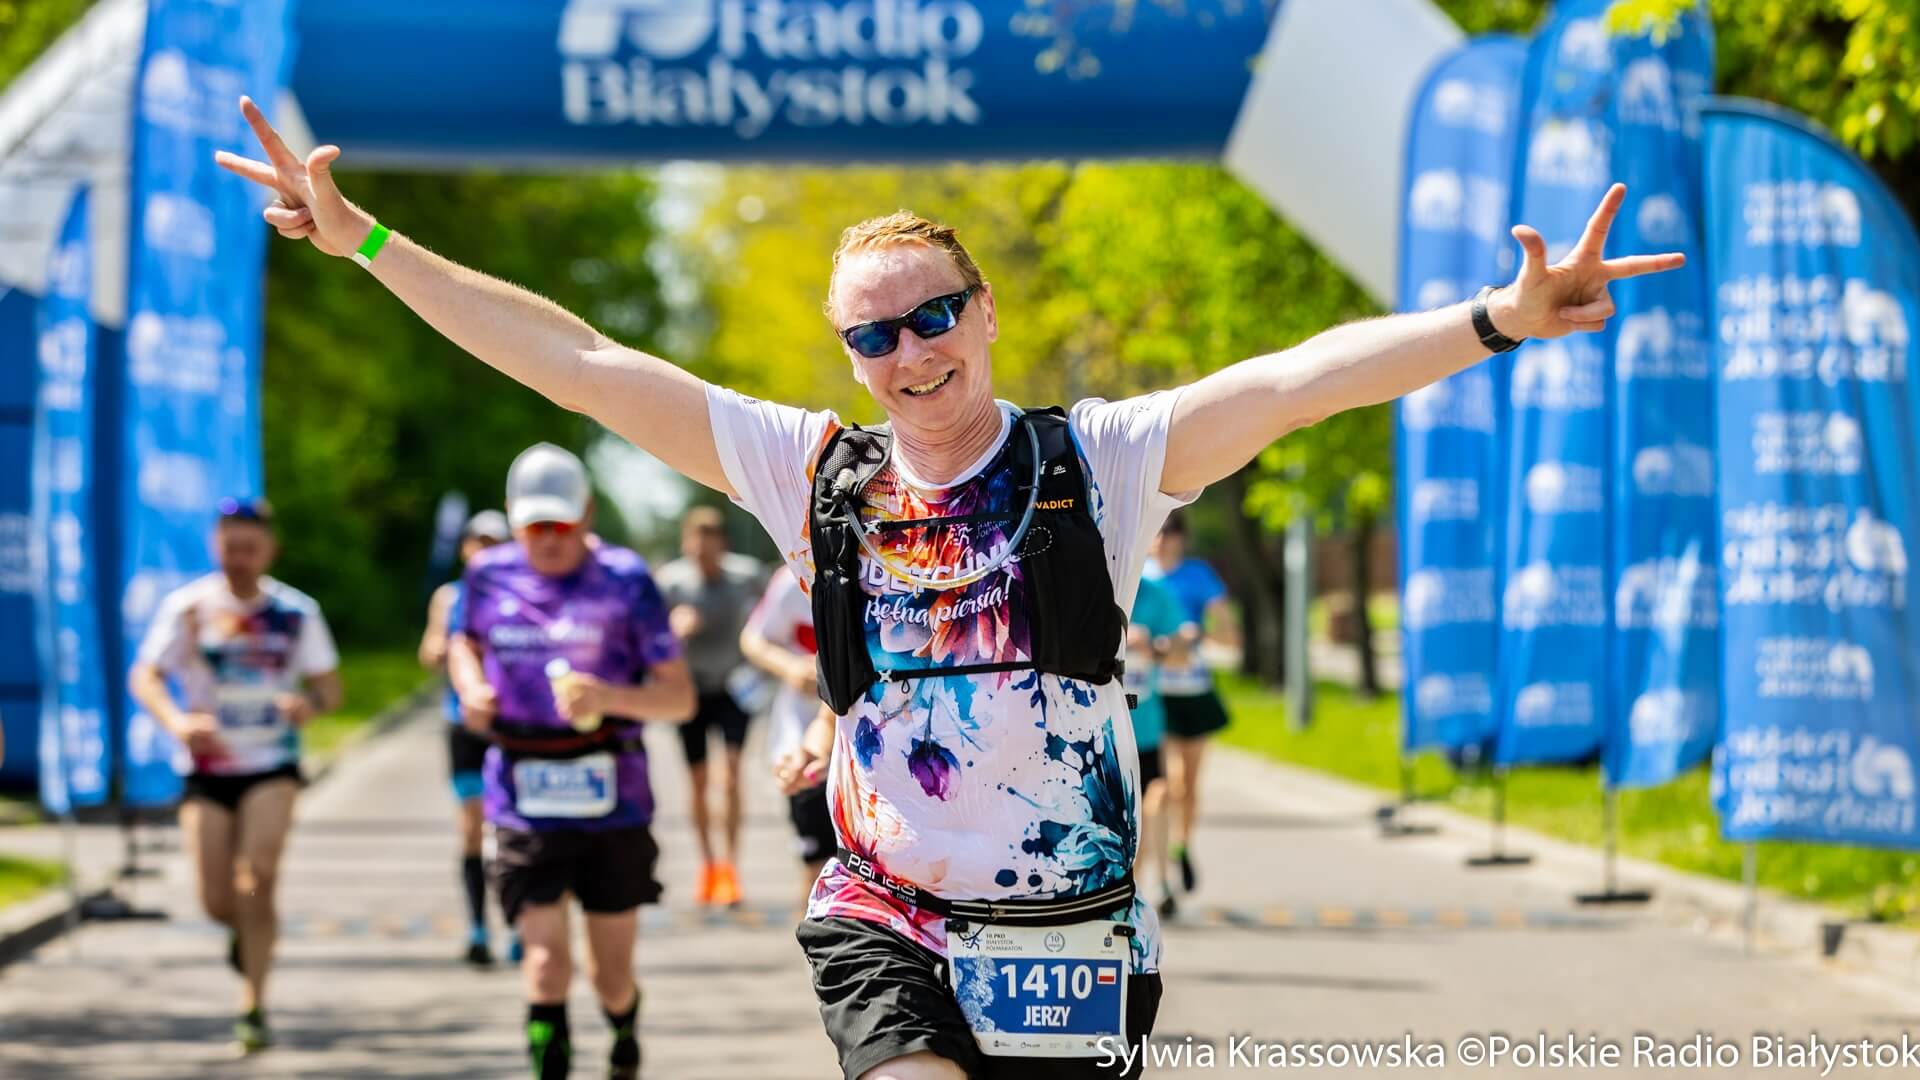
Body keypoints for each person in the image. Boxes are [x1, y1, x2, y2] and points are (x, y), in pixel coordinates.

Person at [221, 97, 1682, 1079]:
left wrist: (1493, 319)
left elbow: (1296, 383)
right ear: (847, 358)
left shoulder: (1100, 463)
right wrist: (366, 243)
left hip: (1076, 931)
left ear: (983, 314)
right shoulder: (807, 471)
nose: (910, 355)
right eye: (875, 337)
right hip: (888, 914)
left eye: (933, 319)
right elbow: (583, 365)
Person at [448, 443, 695, 1080]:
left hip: (613, 791)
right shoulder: (486, 576)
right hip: (521, 791)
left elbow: (679, 697)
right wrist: (472, 687)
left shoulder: (625, 580)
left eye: (560, 523)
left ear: (585, 514)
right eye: (535, 525)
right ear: (511, 517)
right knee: (543, 964)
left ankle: (623, 1023)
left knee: (609, 974)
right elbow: (461, 644)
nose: (548, 538)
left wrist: (608, 696)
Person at [128, 497, 342, 1053]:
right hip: (207, 768)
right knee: (217, 901)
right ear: (215, 546)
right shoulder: (190, 608)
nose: (240, 559)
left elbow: (330, 689)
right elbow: (145, 675)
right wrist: (176, 719)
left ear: (270, 550)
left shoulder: (297, 613)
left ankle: (253, 1004)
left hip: (271, 764)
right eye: (230, 548)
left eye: (250, 549)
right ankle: (242, 935)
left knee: (259, 877)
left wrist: (307, 707)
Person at [655, 507, 764, 907]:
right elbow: (647, 636)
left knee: (732, 775)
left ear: (722, 544)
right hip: (691, 690)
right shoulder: (672, 584)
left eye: (710, 544)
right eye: (695, 545)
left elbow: (774, 614)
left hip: (735, 687)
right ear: (686, 544)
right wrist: (672, 628)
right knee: (698, 780)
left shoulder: (747, 576)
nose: (703, 553)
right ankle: (708, 864)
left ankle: (730, 868)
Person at [418, 507, 513, 965]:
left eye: (495, 543)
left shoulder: (522, 592)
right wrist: (439, 650)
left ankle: (518, 924)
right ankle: (478, 929)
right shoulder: (448, 596)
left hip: (509, 724)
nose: (485, 550)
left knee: (511, 828)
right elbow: (430, 648)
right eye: (479, 542)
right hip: (462, 723)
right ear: (465, 548)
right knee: (471, 828)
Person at [1142, 512, 1238, 898]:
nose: (1163, 541)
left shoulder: (1197, 575)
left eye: (1170, 533)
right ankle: (1157, 868)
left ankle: (1182, 845)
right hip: (1154, 693)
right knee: (1166, 783)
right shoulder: (1139, 575)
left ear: (1181, 538)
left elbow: (1226, 630)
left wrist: (1200, 635)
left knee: (1190, 785)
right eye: (1157, 533)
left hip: (1193, 688)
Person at [739, 566, 836, 898]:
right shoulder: (791, 578)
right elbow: (753, 639)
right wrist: (790, 667)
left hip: (868, 746)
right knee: (817, 868)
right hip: (803, 739)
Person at [1124, 573, 1194, 919]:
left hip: (1146, 728)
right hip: (1103, 731)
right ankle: (1126, 886)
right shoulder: (1092, 581)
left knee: (1160, 794)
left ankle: (1161, 882)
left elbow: (1184, 655)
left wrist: (1154, 648)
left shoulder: (1156, 595)